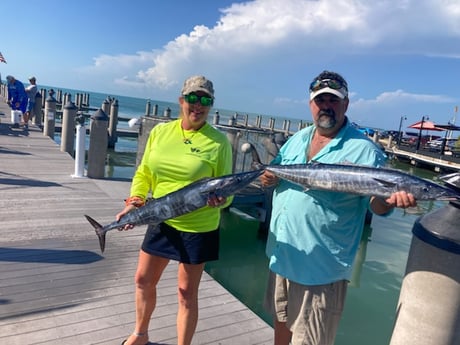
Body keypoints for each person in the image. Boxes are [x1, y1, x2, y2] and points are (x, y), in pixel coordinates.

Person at [260, 70, 417, 345]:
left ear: (346, 104)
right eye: (321, 100)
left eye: (333, 100)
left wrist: (389, 199)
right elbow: (277, 181)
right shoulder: (298, 139)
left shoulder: (365, 151)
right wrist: (267, 179)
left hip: (320, 271)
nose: (326, 107)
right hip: (282, 256)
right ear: (311, 104)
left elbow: (377, 206)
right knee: (280, 332)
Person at [116, 75, 233, 345]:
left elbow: (227, 191)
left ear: (211, 105)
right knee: (143, 280)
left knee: (185, 292)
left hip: (197, 226)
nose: (198, 105)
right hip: (160, 217)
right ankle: (140, 333)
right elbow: (144, 172)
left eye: (205, 100)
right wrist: (134, 201)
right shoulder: (160, 132)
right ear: (181, 100)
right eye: (193, 98)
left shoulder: (218, 142)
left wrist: (221, 201)